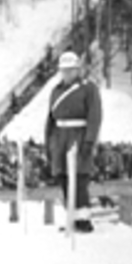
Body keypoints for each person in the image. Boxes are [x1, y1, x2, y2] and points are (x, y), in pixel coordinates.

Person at [44, 50, 103, 233]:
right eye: (64, 70)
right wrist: (48, 144)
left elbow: (95, 116)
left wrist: (89, 141)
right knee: (63, 179)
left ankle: (83, 220)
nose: (67, 73)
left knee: (79, 179)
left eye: (71, 70)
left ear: (78, 70)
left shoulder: (88, 88)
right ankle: (71, 217)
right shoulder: (55, 91)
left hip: (79, 135)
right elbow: (50, 120)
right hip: (59, 138)